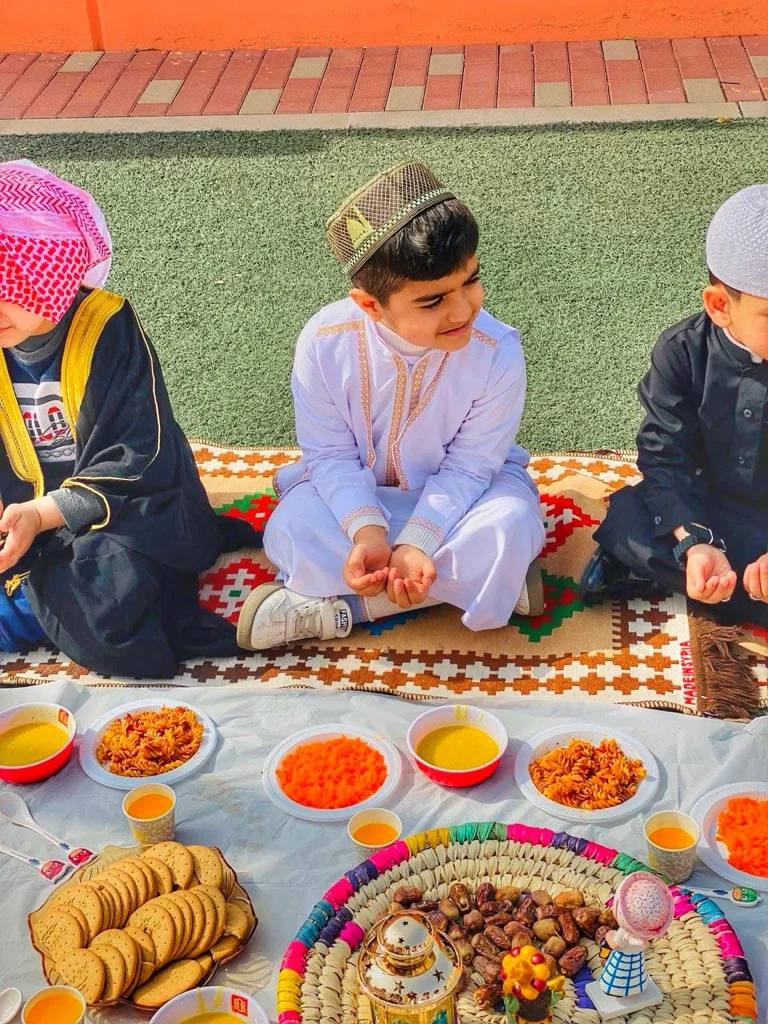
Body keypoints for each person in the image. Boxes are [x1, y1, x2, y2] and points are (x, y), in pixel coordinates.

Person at [238, 161, 545, 651]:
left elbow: (470, 468)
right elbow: (331, 456)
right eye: (433, 301)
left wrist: (418, 542)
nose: (463, 309)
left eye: (471, 281)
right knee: (292, 528)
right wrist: (367, 534)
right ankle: (486, 587)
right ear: (370, 305)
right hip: (354, 502)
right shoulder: (324, 341)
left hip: (464, 501)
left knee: (511, 525)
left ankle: (342, 611)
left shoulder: (497, 350)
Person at [0, 160, 258, 676]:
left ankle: (40, 605)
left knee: (108, 591)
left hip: (124, 509)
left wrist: (40, 516)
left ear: (48, 273)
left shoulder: (108, 327)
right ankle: (36, 602)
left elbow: (137, 456)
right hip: (24, 512)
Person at [581, 184, 768, 626]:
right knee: (631, 518)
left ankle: (679, 579)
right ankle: (700, 572)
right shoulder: (682, 352)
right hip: (704, 503)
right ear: (720, 305)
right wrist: (694, 542)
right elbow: (665, 456)